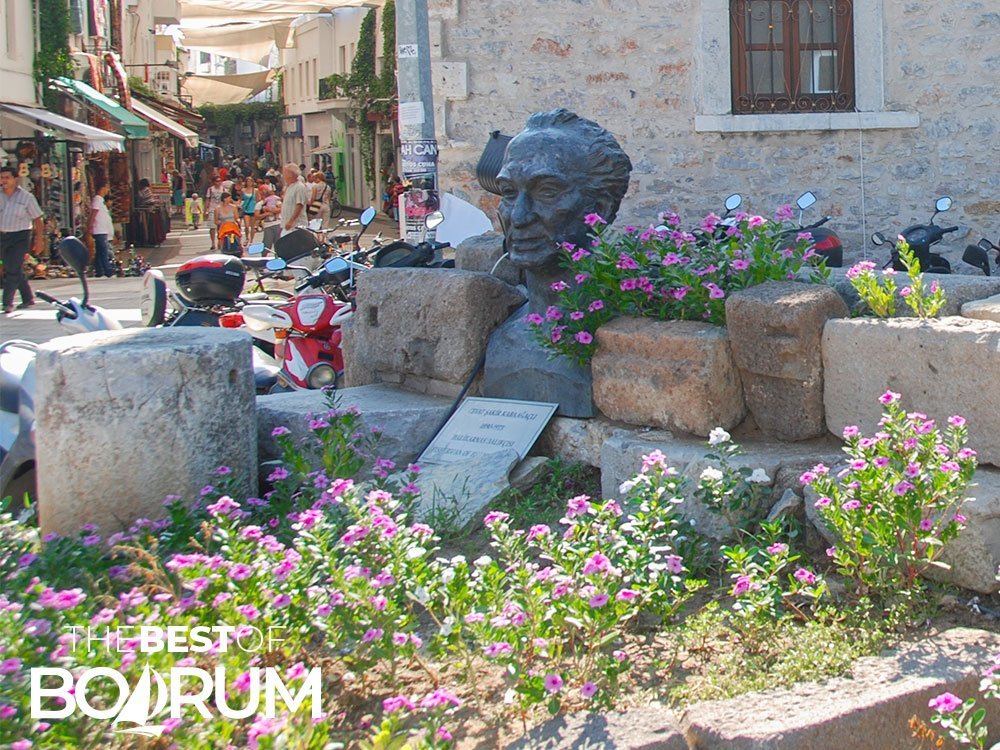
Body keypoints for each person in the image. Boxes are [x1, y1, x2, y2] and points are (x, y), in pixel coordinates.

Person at [0, 164, 43, 313]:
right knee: (13, 267)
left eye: (7, 178)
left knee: (11, 270)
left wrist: (39, 240)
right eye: (1, 178)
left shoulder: (26, 197)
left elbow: (38, 218)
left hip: (20, 236)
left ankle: (7, 303)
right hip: (2, 236)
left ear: (15, 179)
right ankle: (28, 298)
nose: (4, 181)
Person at [90, 182, 115, 278]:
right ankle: (107, 270)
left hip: (102, 229)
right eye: (106, 187)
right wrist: (90, 226)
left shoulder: (101, 200)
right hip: (99, 229)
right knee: (103, 250)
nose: (107, 190)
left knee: (100, 251)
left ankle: (99, 270)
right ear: (102, 188)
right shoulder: (97, 199)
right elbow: (94, 213)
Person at [280, 163, 310, 237]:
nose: (283, 175)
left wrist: (291, 221)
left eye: (284, 173)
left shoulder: (300, 187)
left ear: (290, 174)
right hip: (287, 226)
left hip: (296, 226)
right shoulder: (290, 187)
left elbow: (299, 205)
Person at [204, 175, 225, 250]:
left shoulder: (223, 189)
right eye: (217, 181)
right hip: (212, 209)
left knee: (221, 227)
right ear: (214, 182)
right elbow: (207, 200)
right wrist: (205, 210)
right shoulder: (210, 189)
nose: (218, 183)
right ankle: (213, 242)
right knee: (212, 227)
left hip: (221, 209)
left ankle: (220, 241)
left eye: (219, 181)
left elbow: (226, 199)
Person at [241, 177, 259, 243]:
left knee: (252, 227)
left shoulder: (255, 190)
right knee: (246, 226)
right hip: (246, 209)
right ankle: (247, 237)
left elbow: (258, 199)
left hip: (253, 209)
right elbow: (241, 199)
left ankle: (251, 240)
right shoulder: (243, 190)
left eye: (250, 181)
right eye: (248, 181)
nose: (249, 183)